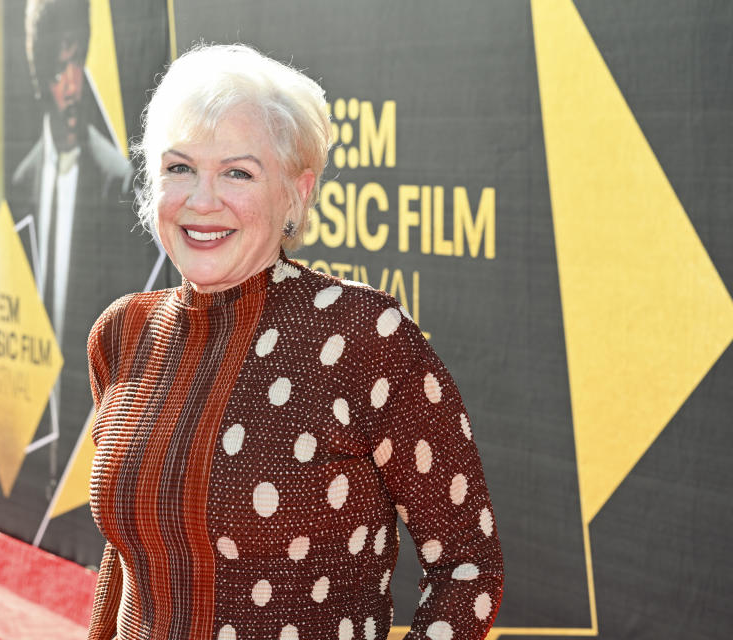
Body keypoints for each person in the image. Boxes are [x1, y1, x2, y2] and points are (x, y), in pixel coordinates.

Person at [85, 44, 504, 640]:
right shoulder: (123, 334)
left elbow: (469, 568)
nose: (202, 201)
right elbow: (125, 564)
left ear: (296, 193)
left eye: (238, 172)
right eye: (179, 168)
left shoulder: (364, 335)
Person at [9, 0, 159, 499]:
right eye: (57, 70)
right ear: (38, 80)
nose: (71, 86)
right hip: (35, 397)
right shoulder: (22, 179)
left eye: (78, 64)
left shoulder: (115, 177)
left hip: (97, 408)